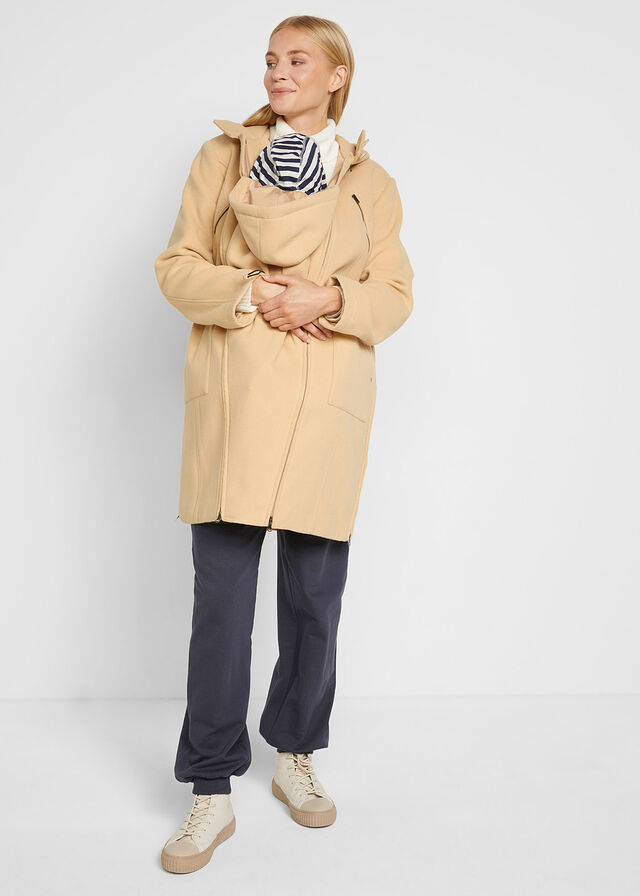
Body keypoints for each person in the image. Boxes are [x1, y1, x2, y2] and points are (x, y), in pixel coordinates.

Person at [154, 15, 414, 875]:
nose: (277, 71)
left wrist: (328, 299)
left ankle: (295, 754)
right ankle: (210, 790)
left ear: (338, 75)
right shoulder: (220, 158)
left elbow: (395, 293)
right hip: (237, 400)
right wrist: (256, 294)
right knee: (222, 609)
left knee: (313, 603)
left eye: (298, 59)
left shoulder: (370, 182)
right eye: (270, 59)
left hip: (326, 405)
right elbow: (176, 266)